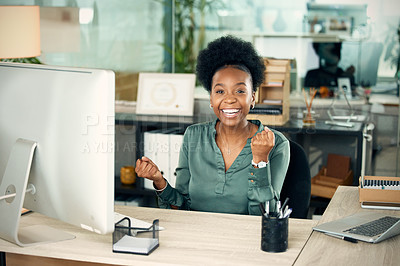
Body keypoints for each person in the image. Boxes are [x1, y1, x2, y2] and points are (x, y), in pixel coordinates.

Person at [135, 35, 290, 215]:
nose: (229, 99)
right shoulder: (193, 136)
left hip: (245, 240)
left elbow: (265, 217)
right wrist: (158, 180)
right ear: (211, 98)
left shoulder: (276, 144)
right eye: (220, 91)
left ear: (253, 97)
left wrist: (260, 161)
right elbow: (182, 208)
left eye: (240, 90)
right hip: (198, 235)